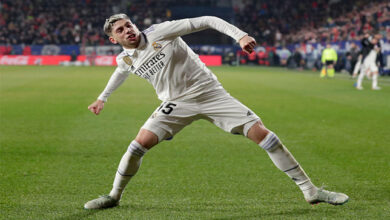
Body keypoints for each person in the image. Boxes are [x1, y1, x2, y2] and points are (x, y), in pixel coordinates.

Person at [84, 14, 349, 209]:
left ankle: (310, 191)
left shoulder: (161, 32)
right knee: (137, 146)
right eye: (121, 30)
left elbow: (208, 20)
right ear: (113, 38)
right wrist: (102, 98)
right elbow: (120, 72)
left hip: (210, 93)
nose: (128, 30)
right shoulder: (125, 58)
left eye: (129, 24)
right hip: (175, 104)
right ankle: (114, 196)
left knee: (266, 136)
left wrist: (240, 35)